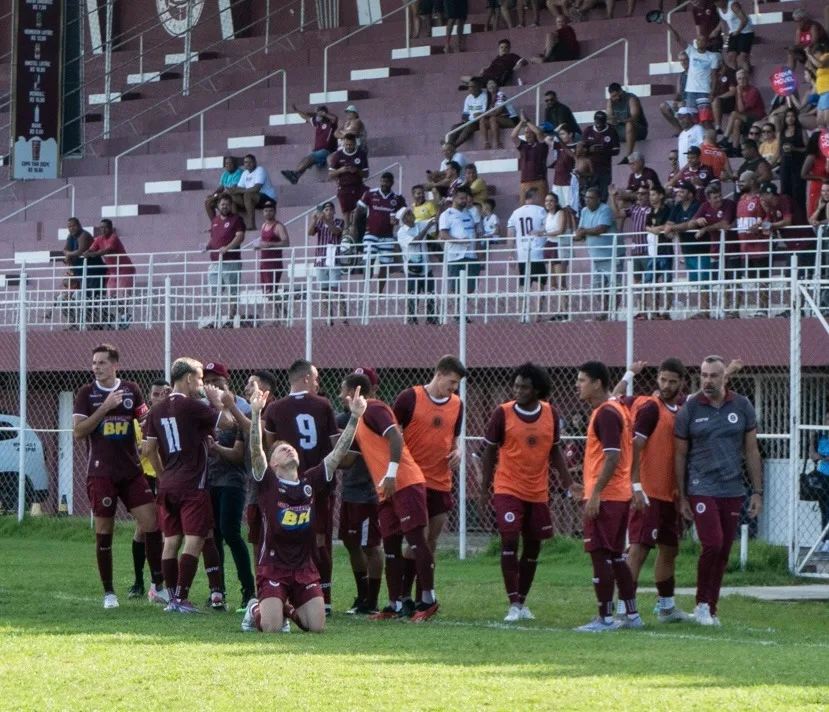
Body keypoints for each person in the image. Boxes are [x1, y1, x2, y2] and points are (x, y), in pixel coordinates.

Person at [242, 381, 367, 634]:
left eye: (290, 447)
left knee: (317, 628)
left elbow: (338, 453)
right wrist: (256, 413)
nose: (288, 449)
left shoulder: (309, 481)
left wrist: (354, 418)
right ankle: (255, 608)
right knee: (272, 629)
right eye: (281, 450)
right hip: (273, 566)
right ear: (273, 464)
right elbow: (256, 449)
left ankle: (284, 607)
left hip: (304, 567)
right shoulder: (267, 482)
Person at [341, 373, 439, 622]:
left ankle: (428, 600)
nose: (341, 396)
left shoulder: (374, 409)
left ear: (356, 392)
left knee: (416, 540)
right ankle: (395, 603)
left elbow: (395, 435)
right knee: (392, 547)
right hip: (385, 490)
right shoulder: (359, 419)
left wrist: (392, 473)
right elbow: (347, 459)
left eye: (344, 391)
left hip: (404, 481)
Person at [72, 344, 165, 609]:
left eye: (102, 363)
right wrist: (104, 408)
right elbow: (78, 432)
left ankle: (158, 586)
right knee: (105, 532)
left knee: (152, 524)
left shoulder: (132, 390)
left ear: (115, 365)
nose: (96, 368)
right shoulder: (86, 394)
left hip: (132, 471)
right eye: (94, 363)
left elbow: (146, 420)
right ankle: (109, 593)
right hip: (101, 474)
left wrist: (149, 438)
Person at [481, 363, 574, 622]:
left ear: (537, 389)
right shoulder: (502, 413)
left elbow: (555, 451)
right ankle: (512, 603)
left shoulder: (551, 414)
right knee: (509, 539)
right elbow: (489, 452)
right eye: (516, 385)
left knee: (533, 549)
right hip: (507, 488)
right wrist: (484, 491)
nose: (518, 390)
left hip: (538, 492)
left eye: (524, 386)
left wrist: (568, 483)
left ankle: (522, 602)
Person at [675, 355, 763, 625]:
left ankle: (711, 609)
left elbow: (751, 450)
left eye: (713, 376)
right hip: (701, 486)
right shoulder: (690, 408)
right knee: (711, 544)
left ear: (725, 378)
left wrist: (757, 491)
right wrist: (682, 494)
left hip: (732, 487)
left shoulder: (742, 405)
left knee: (724, 550)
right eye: (703, 375)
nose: (707, 381)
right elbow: (679, 454)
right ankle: (701, 604)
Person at [142, 357, 235, 613]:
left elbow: (148, 448)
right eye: (200, 379)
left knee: (171, 540)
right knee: (195, 540)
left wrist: (162, 475)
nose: (202, 384)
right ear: (188, 379)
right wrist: (217, 402)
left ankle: (172, 597)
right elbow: (228, 422)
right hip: (193, 483)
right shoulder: (193, 406)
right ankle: (181, 598)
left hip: (168, 484)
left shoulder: (157, 409)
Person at [620, 359, 695, 623]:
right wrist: (636, 487)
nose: (666, 385)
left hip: (670, 494)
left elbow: (704, 395)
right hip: (648, 493)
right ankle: (624, 609)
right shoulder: (651, 407)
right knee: (638, 549)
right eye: (663, 380)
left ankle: (666, 607)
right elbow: (634, 447)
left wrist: (728, 373)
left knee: (670, 549)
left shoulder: (683, 407)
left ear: (682, 382)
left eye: (672, 381)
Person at [263, 359, 340, 616]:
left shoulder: (274, 408)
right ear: (306, 378)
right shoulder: (323, 405)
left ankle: (291, 595)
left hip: (285, 484)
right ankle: (322, 596)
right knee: (319, 541)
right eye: (316, 379)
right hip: (316, 483)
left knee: (277, 537)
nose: (318, 384)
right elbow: (334, 446)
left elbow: (269, 447)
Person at [574, 360, 644, 632]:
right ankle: (632, 614)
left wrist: (596, 494)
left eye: (582, 380)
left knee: (600, 555)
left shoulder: (605, 414)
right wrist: (629, 372)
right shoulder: (615, 406)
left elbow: (612, 457)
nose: (577, 385)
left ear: (596, 384)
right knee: (615, 556)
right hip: (618, 494)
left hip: (607, 497)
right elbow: (617, 389)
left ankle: (604, 617)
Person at [393, 356, 467, 611]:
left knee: (431, 541)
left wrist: (457, 453)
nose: (453, 388)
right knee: (419, 540)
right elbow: (390, 434)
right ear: (439, 373)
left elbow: (454, 441)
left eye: (456, 384)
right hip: (413, 480)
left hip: (441, 480)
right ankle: (408, 596)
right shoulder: (409, 398)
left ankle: (418, 596)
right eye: (452, 382)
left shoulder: (457, 404)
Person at [203, 362, 255, 613]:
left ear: (228, 381)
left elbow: (237, 454)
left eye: (217, 380)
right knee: (212, 537)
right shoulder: (203, 407)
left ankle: (248, 590)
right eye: (208, 380)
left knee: (231, 532)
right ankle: (217, 591)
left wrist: (216, 450)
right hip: (208, 480)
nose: (212, 385)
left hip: (232, 480)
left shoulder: (242, 407)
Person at [337, 369, 384, 615]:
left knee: (371, 546)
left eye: (344, 391)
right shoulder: (345, 419)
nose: (341, 395)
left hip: (367, 493)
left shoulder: (374, 416)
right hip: (349, 491)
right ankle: (363, 596)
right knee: (350, 542)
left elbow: (345, 460)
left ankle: (371, 601)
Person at [130, 378, 171, 599]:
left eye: (162, 394)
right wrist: (142, 448)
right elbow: (136, 452)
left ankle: (161, 582)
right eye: (154, 394)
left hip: (171, 478)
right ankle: (140, 581)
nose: (158, 398)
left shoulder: (173, 419)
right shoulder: (139, 423)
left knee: (167, 532)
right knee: (145, 529)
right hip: (147, 478)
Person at [358, 172, 407, 295]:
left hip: (387, 236)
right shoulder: (370, 194)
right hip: (371, 234)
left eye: (387, 181)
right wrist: (353, 226)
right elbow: (359, 210)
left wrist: (397, 220)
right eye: (382, 181)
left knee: (385, 265)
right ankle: (366, 291)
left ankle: (380, 292)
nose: (384, 184)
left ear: (392, 183)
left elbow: (405, 215)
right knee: (368, 262)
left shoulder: (397, 199)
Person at [575, 187, 619, 319]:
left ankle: (613, 313)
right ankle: (606, 311)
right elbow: (580, 229)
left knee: (614, 286)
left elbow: (601, 228)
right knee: (597, 288)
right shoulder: (584, 211)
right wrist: (580, 234)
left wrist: (583, 232)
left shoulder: (605, 209)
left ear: (598, 199)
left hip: (611, 255)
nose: (587, 201)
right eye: (586, 198)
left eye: (590, 198)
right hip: (595, 256)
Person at [83, 219, 135, 330]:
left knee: (123, 296)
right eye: (101, 227)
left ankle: (125, 316)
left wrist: (93, 254)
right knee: (109, 297)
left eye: (105, 227)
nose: (103, 229)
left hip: (124, 270)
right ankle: (111, 319)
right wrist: (87, 253)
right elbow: (90, 250)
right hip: (112, 272)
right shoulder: (99, 239)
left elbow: (107, 250)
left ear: (111, 228)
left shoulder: (113, 238)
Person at [507, 187, 549, 321]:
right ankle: (538, 314)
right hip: (537, 252)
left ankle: (522, 314)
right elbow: (546, 228)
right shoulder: (541, 211)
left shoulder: (515, 213)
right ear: (535, 196)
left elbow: (510, 235)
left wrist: (510, 254)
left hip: (522, 253)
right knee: (539, 284)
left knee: (523, 284)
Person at [666, 25, 720, 124]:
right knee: (692, 120)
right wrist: (666, 23)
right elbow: (677, 38)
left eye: (703, 40)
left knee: (705, 120)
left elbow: (714, 76)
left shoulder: (712, 56)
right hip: (690, 92)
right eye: (698, 40)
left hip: (704, 91)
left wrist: (712, 93)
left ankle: (710, 137)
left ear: (707, 43)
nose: (700, 42)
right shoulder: (691, 51)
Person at [206, 195, 245, 327]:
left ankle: (231, 318)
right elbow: (213, 237)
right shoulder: (215, 220)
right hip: (215, 262)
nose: (225, 206)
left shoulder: (236, 219)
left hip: (231, 261)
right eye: (222, 204)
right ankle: (215, 318)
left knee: (232, 290)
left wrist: (227, 248)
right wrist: (206, 246)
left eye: (227, 204)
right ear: (218, 206)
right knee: (214, 291)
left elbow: (240, 237)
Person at [394, 207, 437, 324]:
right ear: (404, 219)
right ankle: (412, 320)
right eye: (408, 214)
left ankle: (432, 318)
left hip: (426, 267)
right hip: (412, 269)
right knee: (413, 295)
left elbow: (435, 221)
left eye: (410, 212)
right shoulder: (401, 232)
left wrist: (441, 207)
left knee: (430, 294)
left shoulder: (419, 224)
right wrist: (427, 227)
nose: (411, 214)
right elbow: (416, 240)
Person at [63, 217, 105, 327]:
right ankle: (79, 322)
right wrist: (68, 254)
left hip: (94, 272)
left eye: (73, 226)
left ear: (79, 225)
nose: (71, 229)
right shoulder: (70, 236)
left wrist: (69, 255)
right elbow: (65, 249)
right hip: (81, 272)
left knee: (93, 298)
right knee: (80, 298)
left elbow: (80, 251)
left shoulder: (84, 235)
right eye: (69, 227)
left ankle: (96, 322)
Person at [439, 185, 480, 298]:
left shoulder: (469, 213)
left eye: (465, 198)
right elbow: (443, 234)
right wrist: (459, 241)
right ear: (454, 198)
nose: (464, 201)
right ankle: (459, 313)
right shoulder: (447, 214)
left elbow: (475, 231)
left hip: (471, 254)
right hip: (456, 255)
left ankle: (462, 311)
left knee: (470, 287)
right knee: (456, 287)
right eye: (461, 198)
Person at [309, 202, 346, 323]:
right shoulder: (319, 223)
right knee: (323, 290)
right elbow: (310, 233)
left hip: (333, 258)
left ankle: (343, 316)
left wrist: (326, 221)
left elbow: (336, 232)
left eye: (330, 209)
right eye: (325, 210)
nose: (328, 212)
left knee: (335, 288)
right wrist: (314, 220)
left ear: (334, 211)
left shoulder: (339, 221)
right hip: (320, 259)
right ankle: (329, 317)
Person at [282, 105, 338, 185]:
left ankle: (294, 173)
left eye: (318, 113)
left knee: (309, 158)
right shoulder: (317, 122)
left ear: (323, 113)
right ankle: (296, 177)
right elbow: (305, 117)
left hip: (327, 151)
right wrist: (297, 110)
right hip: (317, 150)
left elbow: (335, 118)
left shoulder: (330, 123)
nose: (317, 116)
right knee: (304, 160)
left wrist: (323, 114)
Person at [539, 192, 574, 314]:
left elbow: (560, 230)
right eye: (546, 201)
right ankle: (559, 310)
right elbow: (545, 228)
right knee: (553, 282)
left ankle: (564, 310)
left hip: (558, 246)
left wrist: (544, 234)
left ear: (556, 202)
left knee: (561, 280)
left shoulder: (561, 213)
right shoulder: (547, 215)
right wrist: (537, 232)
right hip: (549, 246)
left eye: (551, 201)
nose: (548, 203)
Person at [328, 133, 369, 235]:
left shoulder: (361, 154)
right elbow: (330, 175)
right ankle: (346, 236)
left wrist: (356, 170)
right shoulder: (337, 155)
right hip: (344, 188)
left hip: (358, 186)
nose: (348, 147)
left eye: (351, 145)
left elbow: (366, 174)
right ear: (343, 144)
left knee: (360, 210)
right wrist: (340, 170)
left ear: (355, 143)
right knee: (346, 213)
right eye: (346, 145)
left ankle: (358, 231)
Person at [643, 185, 675, 316]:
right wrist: (652, 230)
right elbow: (647, 226)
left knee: (667, 280)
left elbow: (669, 224)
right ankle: (654, 310)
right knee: (651, 281)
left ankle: (666, 310)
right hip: (652, 250)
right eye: (650, 195)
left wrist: (659, 228)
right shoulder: (650, 211)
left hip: (664, 248)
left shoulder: (667, 209)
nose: (651, 197)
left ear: (661, 196)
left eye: (654, 195)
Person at [254, 201, 289, 317]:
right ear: (263, 212)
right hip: (264, 262)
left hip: (274, 263)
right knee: (266, 292)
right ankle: (281, 313)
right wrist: (259, 246)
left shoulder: (278, 226)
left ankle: (279, 315)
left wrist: (271, 245)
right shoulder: (264, 225)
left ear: (275, 211)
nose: (268, 213)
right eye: (266, 211)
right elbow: (263, 242)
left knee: (271, 291)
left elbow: (286, 243)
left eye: (270, 211)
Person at [225, 154, 278, 230]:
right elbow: (239, 188)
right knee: (232, 197)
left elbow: (256, 188)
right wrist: (233, 190)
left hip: (268, 199)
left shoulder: (260, 170)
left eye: (250, 162)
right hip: (253, 200)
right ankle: (236, 225)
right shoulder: (245, 173)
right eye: (246, 162)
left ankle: (252, 225)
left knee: (248, 195)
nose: (248, 164)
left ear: (255, 162)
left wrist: (238, 190)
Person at [582, 111, 620, 202]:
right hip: (590, 169)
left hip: (605, 169)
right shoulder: (588, 130)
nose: (599, 125)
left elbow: (617, 150)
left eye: (601, 122)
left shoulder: (611, 131)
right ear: (594, 121)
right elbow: (580, 149)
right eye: (597, 122)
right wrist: (589, 150)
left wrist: (604, 151)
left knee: (603, 196)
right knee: (589, 195)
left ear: (605, 121)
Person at [723, 71, 766, 154]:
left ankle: (725, 138)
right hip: (745, 118)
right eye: (739, 79)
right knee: (737, 122)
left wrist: (738, 93)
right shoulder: (740, 91)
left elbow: (741, 109)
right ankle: (735, 149)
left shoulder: (753, 91)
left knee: (734, 114)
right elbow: (739, 110)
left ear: (748, 79)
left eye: (744, 78)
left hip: (757, 118)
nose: (742, 81)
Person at [511, 113, 550, 202]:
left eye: (530, 132)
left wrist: (527, 121)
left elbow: (539, 132)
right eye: (526, 133)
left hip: (539, 180)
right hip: (524, 181)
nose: (528, 135)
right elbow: (513, 136)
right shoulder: (523, 145)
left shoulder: (542, 144)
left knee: (541, 206)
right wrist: (522, 122)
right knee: (524, 207)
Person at [607, 82, 648, 164]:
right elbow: (609, 117)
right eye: (612, 96)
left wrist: (620, 121)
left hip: (638, 130)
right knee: (604, 126)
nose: (614, 98)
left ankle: (629, 156)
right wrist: (610, 120)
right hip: (621, 130)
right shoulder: (611, 101)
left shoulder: (631, 98)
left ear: (620, 91)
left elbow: (635, 117)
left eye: (616, 95)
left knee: (629, 124)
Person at [780, 108, 809, 216]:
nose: (790, 118)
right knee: (785, 191)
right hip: (785, 164)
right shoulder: (782, 132)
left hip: (798, 164)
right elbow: (779, 150)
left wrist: (795, 149)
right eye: (788, 116)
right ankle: (786, 215)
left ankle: (800, 216)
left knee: (798, 192)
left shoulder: (801, 131)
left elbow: (808, 148)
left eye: (792, 116)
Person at [461, 38, 526, 86]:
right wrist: (485, 68)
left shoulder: (511, 56)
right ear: (498, 49)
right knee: (463, 78)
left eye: (506, 47)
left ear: (509, 49)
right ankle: (475, 86)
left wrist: (518, 65)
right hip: (485, 77)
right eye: (501, 47)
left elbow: (524, 61)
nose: (503, 49)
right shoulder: (496, 58)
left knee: (470, 81)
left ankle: (475, 86)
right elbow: (491, 66)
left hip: (495, 79)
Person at [808, 408, 829, 553]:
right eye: (827, 419)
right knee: (824, 509)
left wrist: (824, 457)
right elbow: (813, 454)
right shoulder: (821, 435)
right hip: (823, 475)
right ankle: (824, 539)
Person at [714, 0, 753, 73]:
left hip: (746, 31)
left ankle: (747, 78)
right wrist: (724, 34)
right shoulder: (718, 9)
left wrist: (738, 31)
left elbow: (744, 19)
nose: (717, 4)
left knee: (743, 57)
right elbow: (722, 21)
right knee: (731, 58)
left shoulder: (733, 5)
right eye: (715, 2)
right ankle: (735, 78)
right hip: (733, 32)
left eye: (718, 1)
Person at [480, 79, 519, 150]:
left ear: (497, 86)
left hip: (512, 119)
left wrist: (482, 114)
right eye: (489, 84)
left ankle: (497, 143)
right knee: (483, 120)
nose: (490, 85)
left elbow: (498, 111)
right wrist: (482, 115)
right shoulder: (488, 97)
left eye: (493, 83)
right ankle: (486, 143)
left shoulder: (501, 94)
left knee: (493, 119)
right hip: (500, 119)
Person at [452, 78, 489, 148]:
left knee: (469, 126)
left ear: (479, 86)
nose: (471, 89)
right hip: (469, 120)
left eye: (473, 86)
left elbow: (485, 112)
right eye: (469, 87)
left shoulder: (485, 96)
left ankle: (454, 146)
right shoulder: (468, 97)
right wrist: (464, 121)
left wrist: (477, 116)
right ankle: (449, 144)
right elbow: (465, 113)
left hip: (479, 121)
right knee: (455, 127)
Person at [203, 156, 243, 221]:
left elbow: (232, 189)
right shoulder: (225, 173)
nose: (228, 165)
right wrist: (213, 195)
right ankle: (215, 224)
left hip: (236, 195)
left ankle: (233, 223)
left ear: (235, 164)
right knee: (208, 201)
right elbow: (221, 187)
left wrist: (218, 196)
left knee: (228, 201)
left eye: (230, 163)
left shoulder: (239, 172)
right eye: (226, 163)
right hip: (226, 195)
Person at [659, 51, 689, 135]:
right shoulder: (681, 75)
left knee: (681, 105)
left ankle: (687, 129)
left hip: (692, 100)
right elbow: (679, 93)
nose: (683, 62)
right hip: (682, 101)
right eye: (681, 60)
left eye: (686, 60)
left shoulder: (695, 73)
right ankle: (679, 130)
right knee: (663, 106)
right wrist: (675, 102)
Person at [803, 129, 829, 217]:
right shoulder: (812, 156)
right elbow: (803, 174)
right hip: (818, 186)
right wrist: (820, 178)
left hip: (827, 187)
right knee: (816, 212)